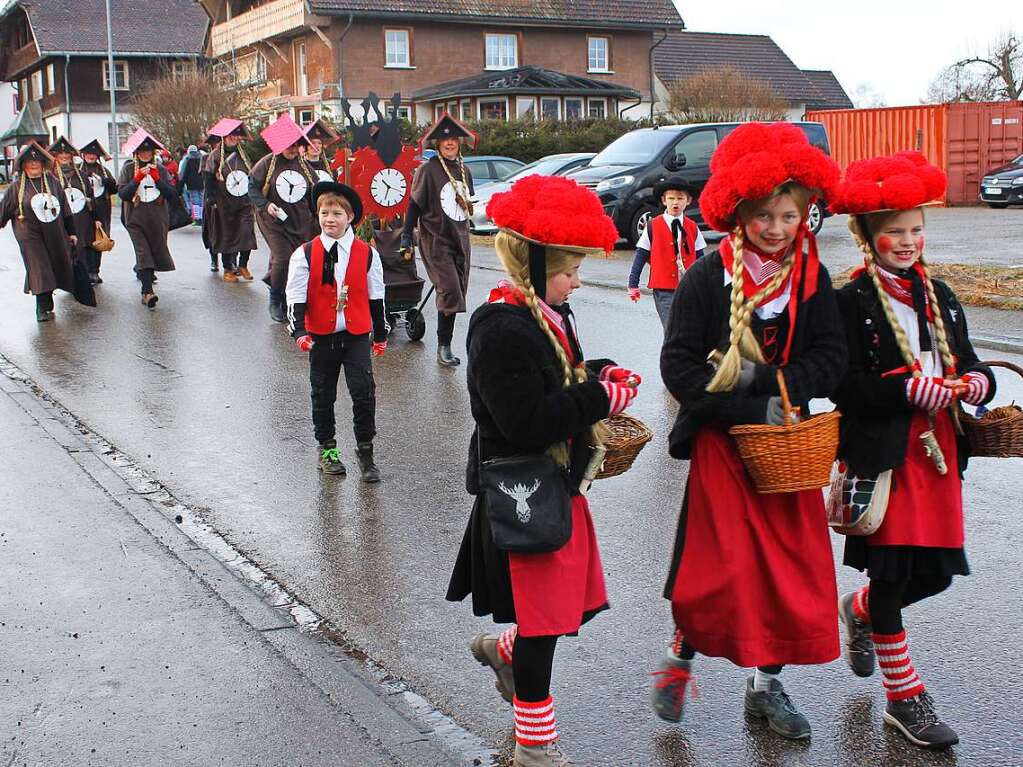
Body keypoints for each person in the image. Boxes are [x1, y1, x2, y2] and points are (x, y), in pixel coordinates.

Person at [653, 122, 846, 739]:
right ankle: (681, 655)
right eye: (764, 215)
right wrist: (744, 406)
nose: (776, 228)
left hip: (785, 445)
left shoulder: (812, 279)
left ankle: (766, 686)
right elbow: (678, 367)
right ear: (739, 212)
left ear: (804, 215)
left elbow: (831, 357)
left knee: (786, 576)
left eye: (788, 215)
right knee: (720, 570)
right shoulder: (708, 278)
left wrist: (776, 389)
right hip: (724, 445)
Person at [446, 175, 639, 767]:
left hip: (553, 485)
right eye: (568, 270)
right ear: (530, 265)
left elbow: (560, 376)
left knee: (552, 614)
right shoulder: (499, 327)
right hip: (523, 489)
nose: (577, 281)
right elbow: (527, 421)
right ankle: (534, 746)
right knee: (543, 624)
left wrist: (601, 372)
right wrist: (600, 401)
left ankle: (504, 653)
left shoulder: (548, 311)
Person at [829, 152, 995, 749]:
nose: (907, 241)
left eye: (916, 230)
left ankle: (863, 608)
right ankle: (906, 699)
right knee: (895, 573)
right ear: (869, 238)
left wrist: (978, 383)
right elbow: (841, 383)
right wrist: (903, 388)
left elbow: (970, 361)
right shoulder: (851, 301)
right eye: (894, 232)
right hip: (885, 457)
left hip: (938, 454)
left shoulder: (941, 293)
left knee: (938, 574)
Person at [285, 181, 388, 482]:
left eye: (337, 214)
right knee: (322, 395)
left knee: (364, 393)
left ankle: (366, 453)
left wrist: (380, 334)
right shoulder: (304, 254)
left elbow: (377, 295)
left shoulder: (366, 253)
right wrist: (299, 331)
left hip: (355, 334)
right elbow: (295, 296)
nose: (330, 219)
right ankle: (327, 451)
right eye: (324, 213)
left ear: (351, 217)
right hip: (321, 336)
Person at [400, 113, 476, 367]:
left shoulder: (465, 170)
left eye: (454, 139)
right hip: (435, 240)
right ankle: (444, 345)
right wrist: (406, 237)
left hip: (460, 240)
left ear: (459, 142)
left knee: (456, 292)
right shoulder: (428, 170)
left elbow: (466, 206)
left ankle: (445, 342)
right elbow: (414, 205)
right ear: (438, 144)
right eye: (445, 141)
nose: (450, 143)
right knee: (450, 290)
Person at [249, 114, 317, 323]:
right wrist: (266, 205)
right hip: (273, 219)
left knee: (297, 260)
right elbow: (252, 188)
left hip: (300, 220)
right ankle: (275, 298)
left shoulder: (304, 166)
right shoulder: (266, 164)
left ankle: (291, 297)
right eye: (290, 146)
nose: (294, 150)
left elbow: (315, 192)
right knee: (283, 257)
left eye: (297, 146)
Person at [0, 142, 76, 321]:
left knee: (53, 265)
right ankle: (42, 308)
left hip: (54, 233)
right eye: (29, 162)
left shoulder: (52, 182)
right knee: (39, 267)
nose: (34, 164)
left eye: (37, 162)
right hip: (29, 235)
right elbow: (3, 211)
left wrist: (71, 232)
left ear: (43, 164)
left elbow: (65, 208)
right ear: (23, 165)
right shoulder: (16, 188)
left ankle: (47, 303)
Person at [627, 177, 706, 330]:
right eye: (671, 198)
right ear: (664, 200)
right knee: (671, 328)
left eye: (680, 198)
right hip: (664, 289)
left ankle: (684, 353)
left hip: (689, 288)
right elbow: (641, 255)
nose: (675, 202)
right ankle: (673, 353)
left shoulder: (692, 227)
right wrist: (633, 284)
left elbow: (701, 258)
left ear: (688, 201)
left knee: (688, 328)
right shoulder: (652, 226)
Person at [117, 128, 178, 308]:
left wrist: (158, 179)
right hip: (135, 218)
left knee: (154, 250)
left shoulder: (160, 169)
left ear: (153, 153)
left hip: (157, 218)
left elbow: (171, 194)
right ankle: (147, 292)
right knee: (143, 251)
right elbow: (123, 194)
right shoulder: (128, 169)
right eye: (142, 151)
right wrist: (136, 179)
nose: (145, 154)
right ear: (136, 152)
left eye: (148, 151)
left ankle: (144, 274)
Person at [204, 119, 258, 282]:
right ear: (224, 137)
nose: (234, 138)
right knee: (227, 234)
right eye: (230, 135)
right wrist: (212, 198)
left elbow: (251, 173)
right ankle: (228, 268)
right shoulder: (214, 156)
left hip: (243, 201)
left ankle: (243, 264)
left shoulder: (243, 154)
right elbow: (208, 178)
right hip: (224, 202)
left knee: (247, 231)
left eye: (236, 135)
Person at [49, 136, 99, 275]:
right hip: (60, 218)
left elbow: (91, 197)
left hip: (82, 217)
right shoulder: (50, 177)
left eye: (67, 154)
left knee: (82, 246)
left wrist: (96, 218)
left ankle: (83, 276)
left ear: (72, 156)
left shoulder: (81, 175)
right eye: (61, 153)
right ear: (55, 156)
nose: (64, 156)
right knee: (64, 248)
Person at [79, 139, 117, 284]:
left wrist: (104, 181)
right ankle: (85, 270)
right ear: (83, 155)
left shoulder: (104, 171)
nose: (91, 156)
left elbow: (114, 188)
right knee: (84, 239)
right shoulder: (78, 169)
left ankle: (95, 271)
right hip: (83, 209)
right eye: (89, 153)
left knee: (98, 238)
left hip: (101, 208)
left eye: (94, 154)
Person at [303, 119, 339, 184]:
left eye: (319, 143)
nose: (316, 146)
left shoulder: (330, 165)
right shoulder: (301, 165)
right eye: (312, 143)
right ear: (306, 147)